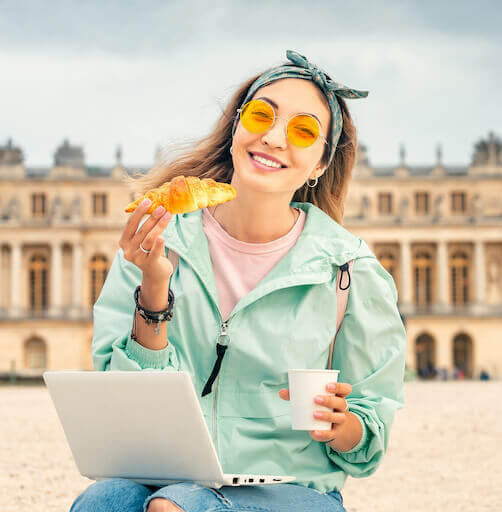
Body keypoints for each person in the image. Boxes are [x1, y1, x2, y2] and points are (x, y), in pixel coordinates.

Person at [72, 50, 406, 512]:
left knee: (176, 507)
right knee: (107, 499)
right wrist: (153, 291)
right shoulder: (158, 241)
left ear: (320, 164)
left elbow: (371, 431)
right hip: (167, 477)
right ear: (236, 128)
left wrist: (342, 424)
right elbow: (122, 403)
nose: (273, 137)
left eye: (303, 130)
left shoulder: (350, 271)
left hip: (292, 491)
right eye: (260, 115)